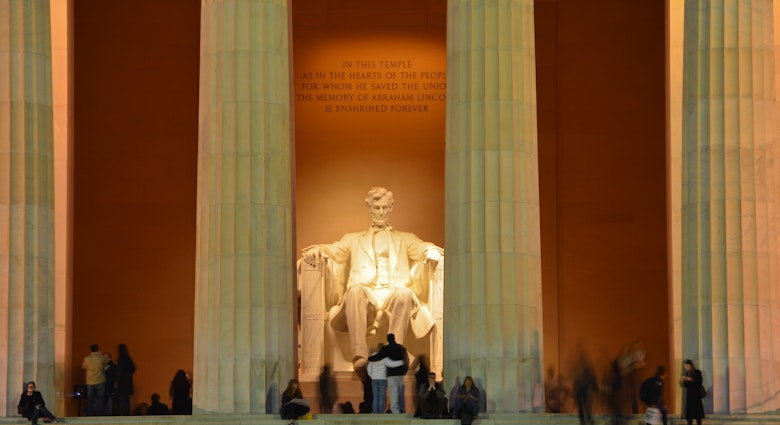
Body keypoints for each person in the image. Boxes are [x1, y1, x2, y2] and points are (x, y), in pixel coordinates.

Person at [301, 187, 444, 370]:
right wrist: (318, 249)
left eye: (385, 207)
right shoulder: (353, 239)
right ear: (369, 209)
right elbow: (335, 250)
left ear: (391, 208)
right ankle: (359, 355)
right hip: (367, 293)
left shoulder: (405, 238)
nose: (381, 212)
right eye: (377, 208)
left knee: (404, 294)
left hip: (393, 291)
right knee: (355, 291)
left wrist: (430, 250)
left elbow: (420, 247)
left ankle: (395, 353)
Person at [368, 333, 409, 413]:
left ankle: (395, 411)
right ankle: (402, 409)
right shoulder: (401, 348)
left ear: (387, 339)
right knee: (400, 393)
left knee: (393, 393)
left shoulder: (386, 349)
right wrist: (404, 369)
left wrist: (370, 358)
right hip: (401, 374)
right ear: (394, 338)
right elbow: (406, 360)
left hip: (391, 375)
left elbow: (379, 357)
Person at [82, 344, 109, 416]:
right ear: (98, 349)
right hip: (100, 380)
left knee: (90, 399)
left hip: (90, 381)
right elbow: (106, 363)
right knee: (100, 399)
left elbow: (84, 366)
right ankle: (100, 415)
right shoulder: (101, 358)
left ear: (90, 350)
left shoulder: (87, 358)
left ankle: (90, 414)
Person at [680, 359, 705, 425]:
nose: (685, 368)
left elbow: (699, 382)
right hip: (690, 395)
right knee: (690, 415)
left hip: (696, 395)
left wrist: (691, 379)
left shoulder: (697, 372)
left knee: (698, 415)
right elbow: (686, 386)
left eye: (686, 366)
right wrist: (683, 381)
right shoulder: (687, 374)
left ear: (690, 365)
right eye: (684, 367)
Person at [116, 343, 136, 416]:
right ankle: (126, 412)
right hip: (128, 382)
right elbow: (133, 369)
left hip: (122, 382)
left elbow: (119, 371)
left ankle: (124, 413)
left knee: (123, 398)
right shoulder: (128, 358)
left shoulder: (121, 359)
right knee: (127, 398)